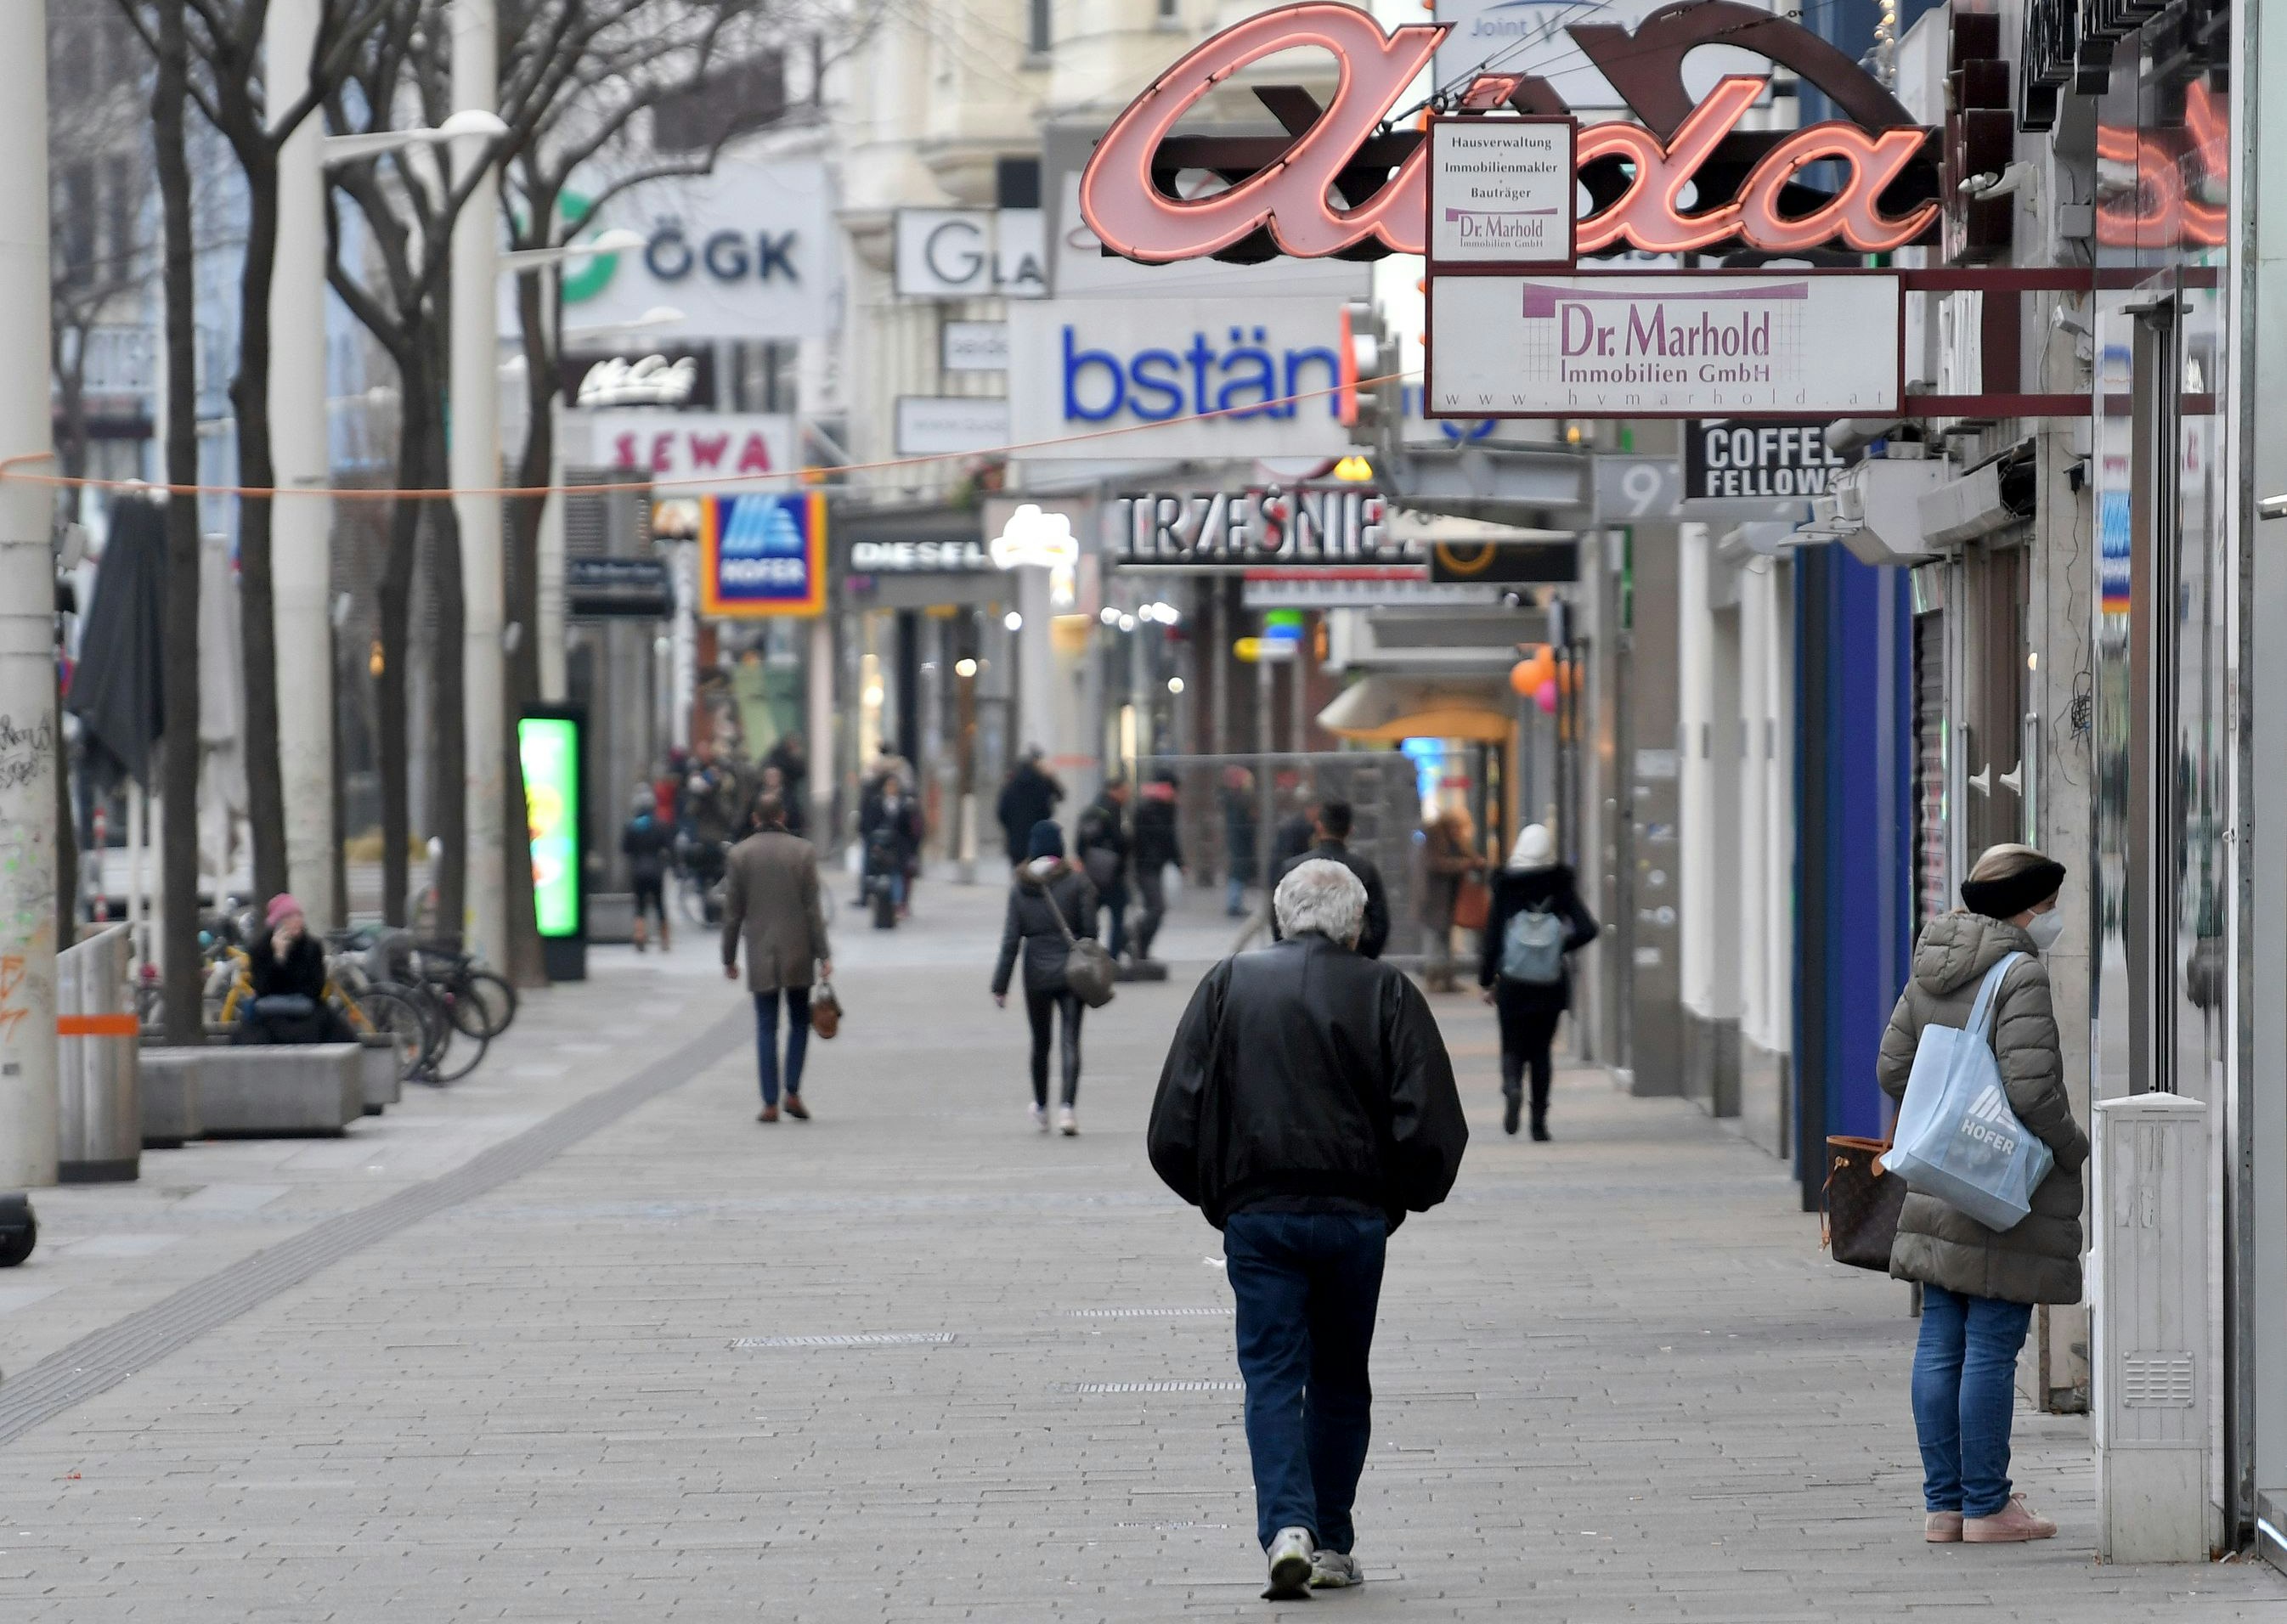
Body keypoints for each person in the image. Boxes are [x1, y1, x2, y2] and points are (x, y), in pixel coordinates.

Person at [1148, 860, 1468, 1596]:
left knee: (1270, 1375)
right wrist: (1402, 1198)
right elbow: (1431, 1123)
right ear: (1355, 924)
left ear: (1280, 915)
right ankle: (1333, 1542)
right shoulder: (1387, 991)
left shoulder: (1227, 986)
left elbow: (1173, 1121)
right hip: (1354, 1216)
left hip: (1260, 1214)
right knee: (1339, 1378)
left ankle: (1288, 1526)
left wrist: (1220, 1198)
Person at [1877, 843, 2086, 1546]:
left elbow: (1892, 1068)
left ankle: (1945, 1506)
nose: (2053, 919)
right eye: (2050, 906)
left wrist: (1948, 1117)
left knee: (1942, 1339)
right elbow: (2032, 1092)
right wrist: (2070, 1146)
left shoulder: (1930, 962)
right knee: (1994, 1345)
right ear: (2027, 906)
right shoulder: (2018, 972)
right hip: (2000, 1183)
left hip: (1940, 1181)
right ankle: (1990, 1506)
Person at [1478, 823, 1599, 1138]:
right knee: (1542, 1051)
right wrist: (1558, 946)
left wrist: (1486, 979)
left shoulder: (1505, 886)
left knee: (1513, 1044)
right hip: (1550, 983)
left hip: (1513, 981)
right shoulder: (1559, 885)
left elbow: (1492, 938)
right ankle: (1539, 1124)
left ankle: (1512, 1085)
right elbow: (1588, 928)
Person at [721, 794, 833, 1124]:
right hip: (799, 951)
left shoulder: (740, 855)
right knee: (799, 1022)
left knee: (766, 1025)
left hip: (760, 953)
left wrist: (728, 957)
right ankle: (793, 1092)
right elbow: (814, 910)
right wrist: (824, 954)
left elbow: (732, 914)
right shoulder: (803, 852)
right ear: (783, 816)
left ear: (756, 818)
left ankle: (769, 1102)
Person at [991, 820, 1098, 1136]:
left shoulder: (1021, 887)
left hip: (1035, 973)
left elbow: (1011, 941)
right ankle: (1068, 1109)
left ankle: (1040, 1107)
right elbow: (1092, 930)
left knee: (1040, 1043)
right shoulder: (1077, 882)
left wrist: (1000, 986)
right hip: (1073, 972)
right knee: (1071, 1039)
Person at [1268, 797, 1390, 959]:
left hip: (1298, 958)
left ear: (1319, 827)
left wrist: (1287, 952)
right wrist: (1362, 958)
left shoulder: (1292, 868)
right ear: (1350, 830)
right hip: (1349, 959)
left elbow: (1277, 915)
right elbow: (1380, 925)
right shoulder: (1365, 870)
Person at [235, 894, 352, 1045]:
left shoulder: (312, 947)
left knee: (338, 1034)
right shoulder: (260, 949)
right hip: (270, 1014)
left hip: (307, 1010)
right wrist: (278, 959)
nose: (297, 921)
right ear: (277, 923)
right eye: (289, 917)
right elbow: (262, 988)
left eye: (299, 915)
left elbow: (315, 988)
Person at [1417, 806, 1484, 993]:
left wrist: (1472, 860)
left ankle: (1446, 978)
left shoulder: (1453, 839)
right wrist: (1464, 864)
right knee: (1435, 937)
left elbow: (1466, 856)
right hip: (1434, 898)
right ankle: (1435, 977)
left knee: (1444, 937)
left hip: (1448, 898)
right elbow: (1436, 863)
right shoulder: (1434, 838)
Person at [1076, 775, 1133, 960]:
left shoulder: (1092, 809)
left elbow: (1080, 842)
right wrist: (1129, 842)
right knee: (1118, 916)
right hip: (1112, 874)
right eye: (1125, 791)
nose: (1127, 795)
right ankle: (1114, 956)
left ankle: (1084, 952)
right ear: (1115, 790)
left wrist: (1085, 860)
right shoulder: (1113, 809)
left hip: (1093, 873)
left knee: (1088, 914)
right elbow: (1119, 840)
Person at [1131, 770, 1185, 962]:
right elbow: (1166, 837)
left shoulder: (1161, 807)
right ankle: (1132, 939)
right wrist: (1178, 862)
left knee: (1155, 908)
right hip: (1146, 866)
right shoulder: (1151, 809)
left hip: (1153, 866)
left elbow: (1169, 838)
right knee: (1156, 908)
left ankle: (1140, 948)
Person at [622, 787, 675, 953]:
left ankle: (639, 935)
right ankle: (664, 939)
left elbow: (625, 848)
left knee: (640, 904)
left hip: (638, 869)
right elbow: (669, 847)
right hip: (656, 870)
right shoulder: (660, 825)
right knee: (660, 904)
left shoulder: (631, 827)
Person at [860, 774, 923, 914]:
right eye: (889, 785)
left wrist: (911, 848)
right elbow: (869, 824)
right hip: (881, 846)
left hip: (899, 847)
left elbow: (910, 829)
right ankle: (883, 903)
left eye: (894, 786)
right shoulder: (877, 802)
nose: (892, 789)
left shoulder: (905, 805)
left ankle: (897, 904)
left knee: (897, 875)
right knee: (880, 876)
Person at [996, 746, 1064, 866]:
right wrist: (1051, 777)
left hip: (1015, 841)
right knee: (1038, 875)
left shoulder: (1011, 784)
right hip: (1037, 839)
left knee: (1019, 875)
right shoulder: (1041, 783)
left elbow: (1002, 812)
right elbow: (1058, 799)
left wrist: (1011, 828)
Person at [1219, 765, 1259, 917]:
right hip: (1239, 840)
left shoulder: (1234, 798)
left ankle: (1235, 902)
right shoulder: (1236, 799)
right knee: (1237, 871)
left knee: (1239, 871)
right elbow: (1247, 818)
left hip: (1240, 840)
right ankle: (1233, 904)